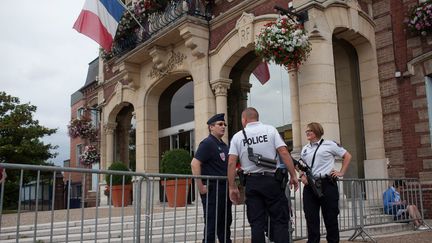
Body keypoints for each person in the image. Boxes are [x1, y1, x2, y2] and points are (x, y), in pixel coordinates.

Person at [227, 107, 299, 243]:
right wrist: (293, 175)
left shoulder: (237, 136)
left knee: (257, 223)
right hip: (272, 181)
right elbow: (284, 152)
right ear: (257, 117)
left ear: (244, 119)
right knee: (279, 220)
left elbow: (231, 163)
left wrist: (232, 187)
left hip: (251, 182)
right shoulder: (270, 130)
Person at [299, 122, 351, 243]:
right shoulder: (305, 148)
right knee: (311, 219)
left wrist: (341, 172)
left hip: (327, 184)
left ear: (317, 131)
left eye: (310, 131)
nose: (307, 133)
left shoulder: (330, 144)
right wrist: (302, 176)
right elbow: (301, 166)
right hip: (310, 186)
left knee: (330, 219)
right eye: (306, 131)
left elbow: (347, 156)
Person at [191, 113, 232, 243]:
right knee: (211, 226)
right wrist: (201, 187)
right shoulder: (207, 143)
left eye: (224, 124)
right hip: (213, 190)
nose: (223, 127)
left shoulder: (224, 145)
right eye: (220, 124)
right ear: (211, 127)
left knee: (225, 224)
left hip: (224, 190)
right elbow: (195, 163)